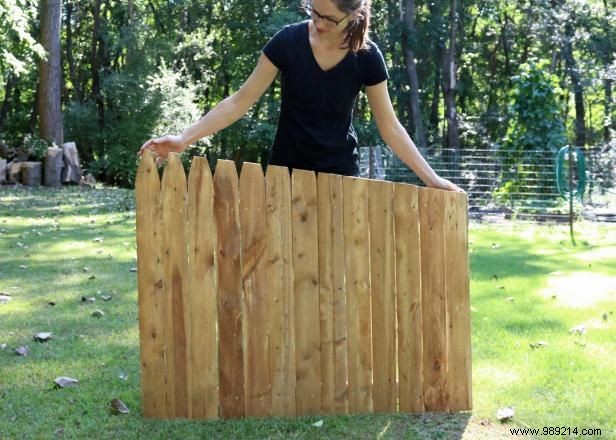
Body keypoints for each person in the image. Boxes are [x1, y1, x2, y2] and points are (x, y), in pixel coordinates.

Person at [138, 0, 464, 193]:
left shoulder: (366, 57)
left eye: (328, 17)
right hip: (285, 174)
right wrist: (184, 138)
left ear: (353, 16)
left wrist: (432, 179)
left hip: (340, 178)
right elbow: (239, 101)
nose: (317, 22)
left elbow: (390, 127)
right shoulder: (287, 42)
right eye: (313, 10)